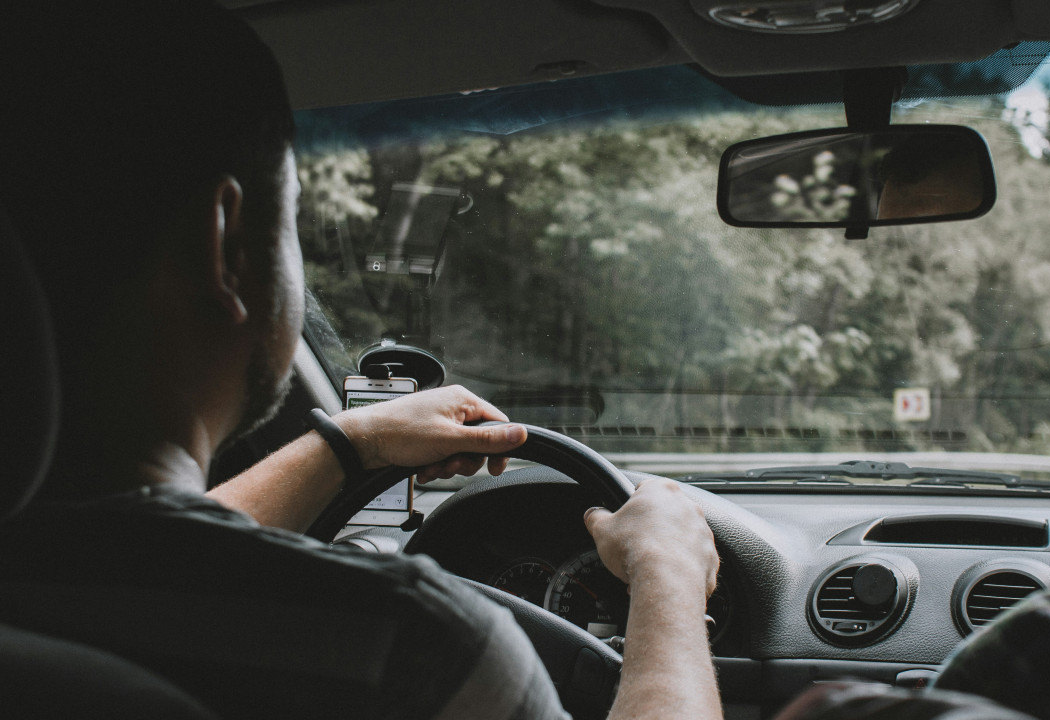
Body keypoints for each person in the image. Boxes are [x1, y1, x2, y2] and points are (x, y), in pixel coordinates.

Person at [0, 2, 720, 719]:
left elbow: (134, 564)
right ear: (225, 246)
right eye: (292, 221)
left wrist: (352, 444)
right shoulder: (404, 647)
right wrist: (669, 577)